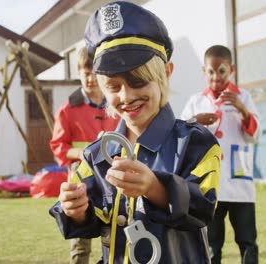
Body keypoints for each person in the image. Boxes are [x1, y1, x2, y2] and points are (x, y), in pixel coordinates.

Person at [50, 2, 221, 263]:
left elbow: (203, 206)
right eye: (113, 86)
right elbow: (90, 222)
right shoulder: (96, 154)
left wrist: (156, 188)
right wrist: (75, 209)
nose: (126, 96)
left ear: (166, 72)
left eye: (138, 81)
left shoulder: (196, 143)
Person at [181, 45, 261, 264]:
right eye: (211, 71)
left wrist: (242, 110)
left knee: (247, 242)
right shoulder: (196, 101)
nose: (216, 77)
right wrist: (194, 122)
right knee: (211, 244)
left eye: (222, 71)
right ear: (203, 71)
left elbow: (255, 135)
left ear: (231, 70)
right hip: (210, 186)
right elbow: (179, 134)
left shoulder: (243, 97)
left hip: (240, 185)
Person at [50, 47, 119, 264]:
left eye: (94, 72)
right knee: (80, 249)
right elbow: (58, 146)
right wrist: (81, 152)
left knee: (114, 243)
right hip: (81, 187)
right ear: (78, 74)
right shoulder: (67, 110)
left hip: (113, 186)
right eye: (84, 72)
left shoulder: (117, 106)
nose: (89, 78)